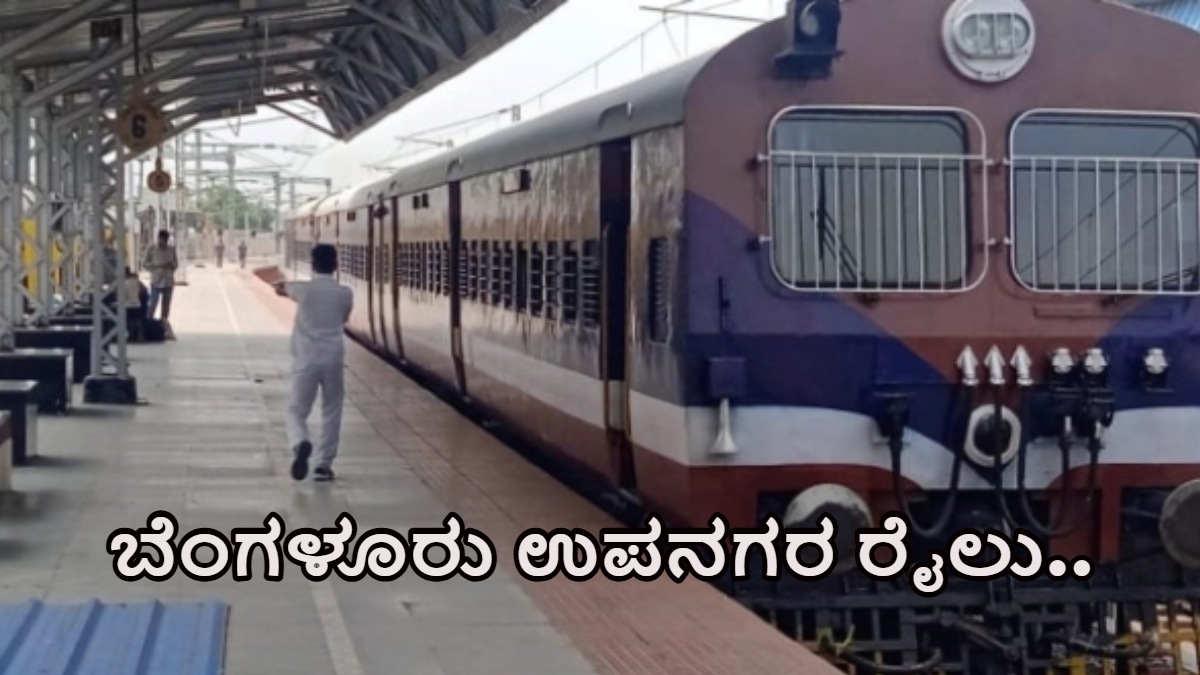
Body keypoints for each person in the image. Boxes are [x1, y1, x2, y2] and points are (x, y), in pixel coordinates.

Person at [274, 244, 353, 483]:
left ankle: (300, 442)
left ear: (312, 265)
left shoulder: (302, 290)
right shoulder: (345, 293)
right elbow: (344, 318)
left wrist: (283, 286)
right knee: (332, 410)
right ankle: (323, 465)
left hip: (306, 360)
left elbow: (281, 288)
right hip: (333, 359)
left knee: (296, 411)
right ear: (335, 265)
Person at [142, 229, 178, 340]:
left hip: (168, 281)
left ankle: (163, 328)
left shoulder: (171, 250)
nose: (162, 243)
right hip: (156, 280)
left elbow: (176, 263)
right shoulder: (152, 249)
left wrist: (171, 265)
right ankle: (147, 327)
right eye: (161, 240)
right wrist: (156, 266)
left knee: (166, 307)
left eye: (165, 241)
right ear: (158, 238)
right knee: (152, 304)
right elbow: (144, 264)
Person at [121, 267, 148, 342]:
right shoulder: (136, 281)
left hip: (127, 304)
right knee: (137, 319)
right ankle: (140, 336)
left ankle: (132, 335)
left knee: (129, 319)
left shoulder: (124, 282)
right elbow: (144, 290)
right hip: (137, 303)